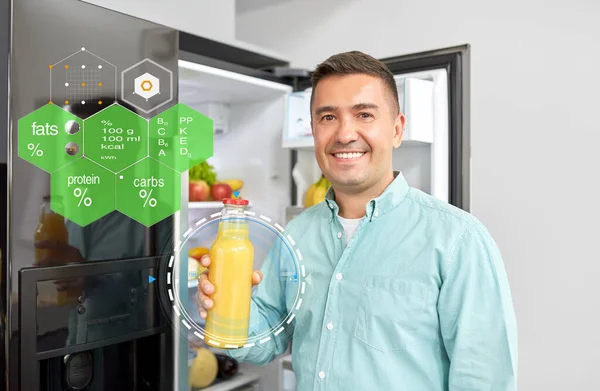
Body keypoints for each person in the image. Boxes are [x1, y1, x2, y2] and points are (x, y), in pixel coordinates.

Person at [196, 51, 518, 390]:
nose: (345, 134)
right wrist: (228, 309)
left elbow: (484, 379)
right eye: (328, 117)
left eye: (364, 114)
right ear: (314, 132)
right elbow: (268, 339)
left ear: (397, 130)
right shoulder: (298, 234)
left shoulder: (458, 240)